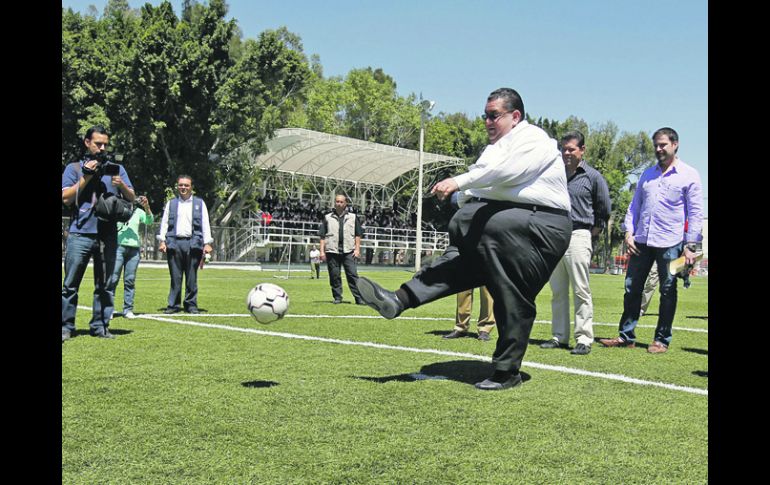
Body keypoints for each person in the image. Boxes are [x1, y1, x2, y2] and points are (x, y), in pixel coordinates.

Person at [357, 87, 572, 390]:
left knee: (510, 286)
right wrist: (458, 198)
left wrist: (459, 184)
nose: (487, 121)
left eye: (493, 115)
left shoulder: (533, 138)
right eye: (484, 115)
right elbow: (484, 178)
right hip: (507, 225)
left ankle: (507, 371)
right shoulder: (495, 148)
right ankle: (399, 299)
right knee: (460, 259)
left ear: (515, 116)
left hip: (540, 225)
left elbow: (504, 173)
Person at [600, 127, 703, 353]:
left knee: (668, 290)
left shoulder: (689, 174)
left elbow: (695, 213)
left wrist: (691, 246)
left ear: (675, 144)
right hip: (642, 241)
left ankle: (661, 339)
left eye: (663, 144)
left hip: (672, 242)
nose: (658, 149)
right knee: (631, 288)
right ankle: (626, 336)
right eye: (656, 145)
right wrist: (629, 233)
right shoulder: (647, 174)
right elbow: (634, 207)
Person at [62, 125, 136, 341]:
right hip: (80, 233)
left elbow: (131, 198)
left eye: (105, 144)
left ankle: (100, 326)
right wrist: (86, 177)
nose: (102, 148)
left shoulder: (116, 169)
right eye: (98, 144)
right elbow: (65, 198)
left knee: (104, 285)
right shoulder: (74, 168)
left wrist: (120, 185)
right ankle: (66, 327)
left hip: (108, 235)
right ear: (87, 143)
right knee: (70, 285)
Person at [542, 131, 611, 355]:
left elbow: (604, 210)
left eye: (571, 149)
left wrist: (592, 233)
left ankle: (584, 338)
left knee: (581, 290)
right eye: (564, 149)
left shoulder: (592, 177)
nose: (567, 153)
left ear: (582, 150)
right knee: (558, 291)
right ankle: (559, 336)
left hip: (579, 235)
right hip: (555, 236)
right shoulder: (555, 174)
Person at [158, 175, 214, 314]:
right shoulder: (171, 203)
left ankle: (191, 305)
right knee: (175, 277)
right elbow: (164, 223)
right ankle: (173, 305)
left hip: (193, 243)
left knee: (191, 277)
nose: (183, 187)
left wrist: (207, 243)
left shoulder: (200, 203)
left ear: (191, 187)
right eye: (181, 185)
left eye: (186, 185)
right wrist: (162, 241)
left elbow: (205, 224)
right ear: (177, 186)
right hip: (174, 243)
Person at [108, 195, 154, 319]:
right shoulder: (116, 209)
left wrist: (146, 207)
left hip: (134, 249)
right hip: (118, 246)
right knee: (113, 279)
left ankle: (128, 309)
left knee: (130, 280)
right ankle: (109, 309)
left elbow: (150, 221)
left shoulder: (138, 211)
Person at [319, 194, 364, 304]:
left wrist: (357, 249)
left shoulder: (353, 217)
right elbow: (322, 236)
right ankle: (337, 297)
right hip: (332, 251)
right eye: (337, 201)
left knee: (353, 275)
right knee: (334, 275)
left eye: (340, 202)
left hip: (349, 251)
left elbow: (358, 234)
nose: (338, 204)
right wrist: (321, 251)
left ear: (345, 203)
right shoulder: (327, 217)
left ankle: (359, 298)